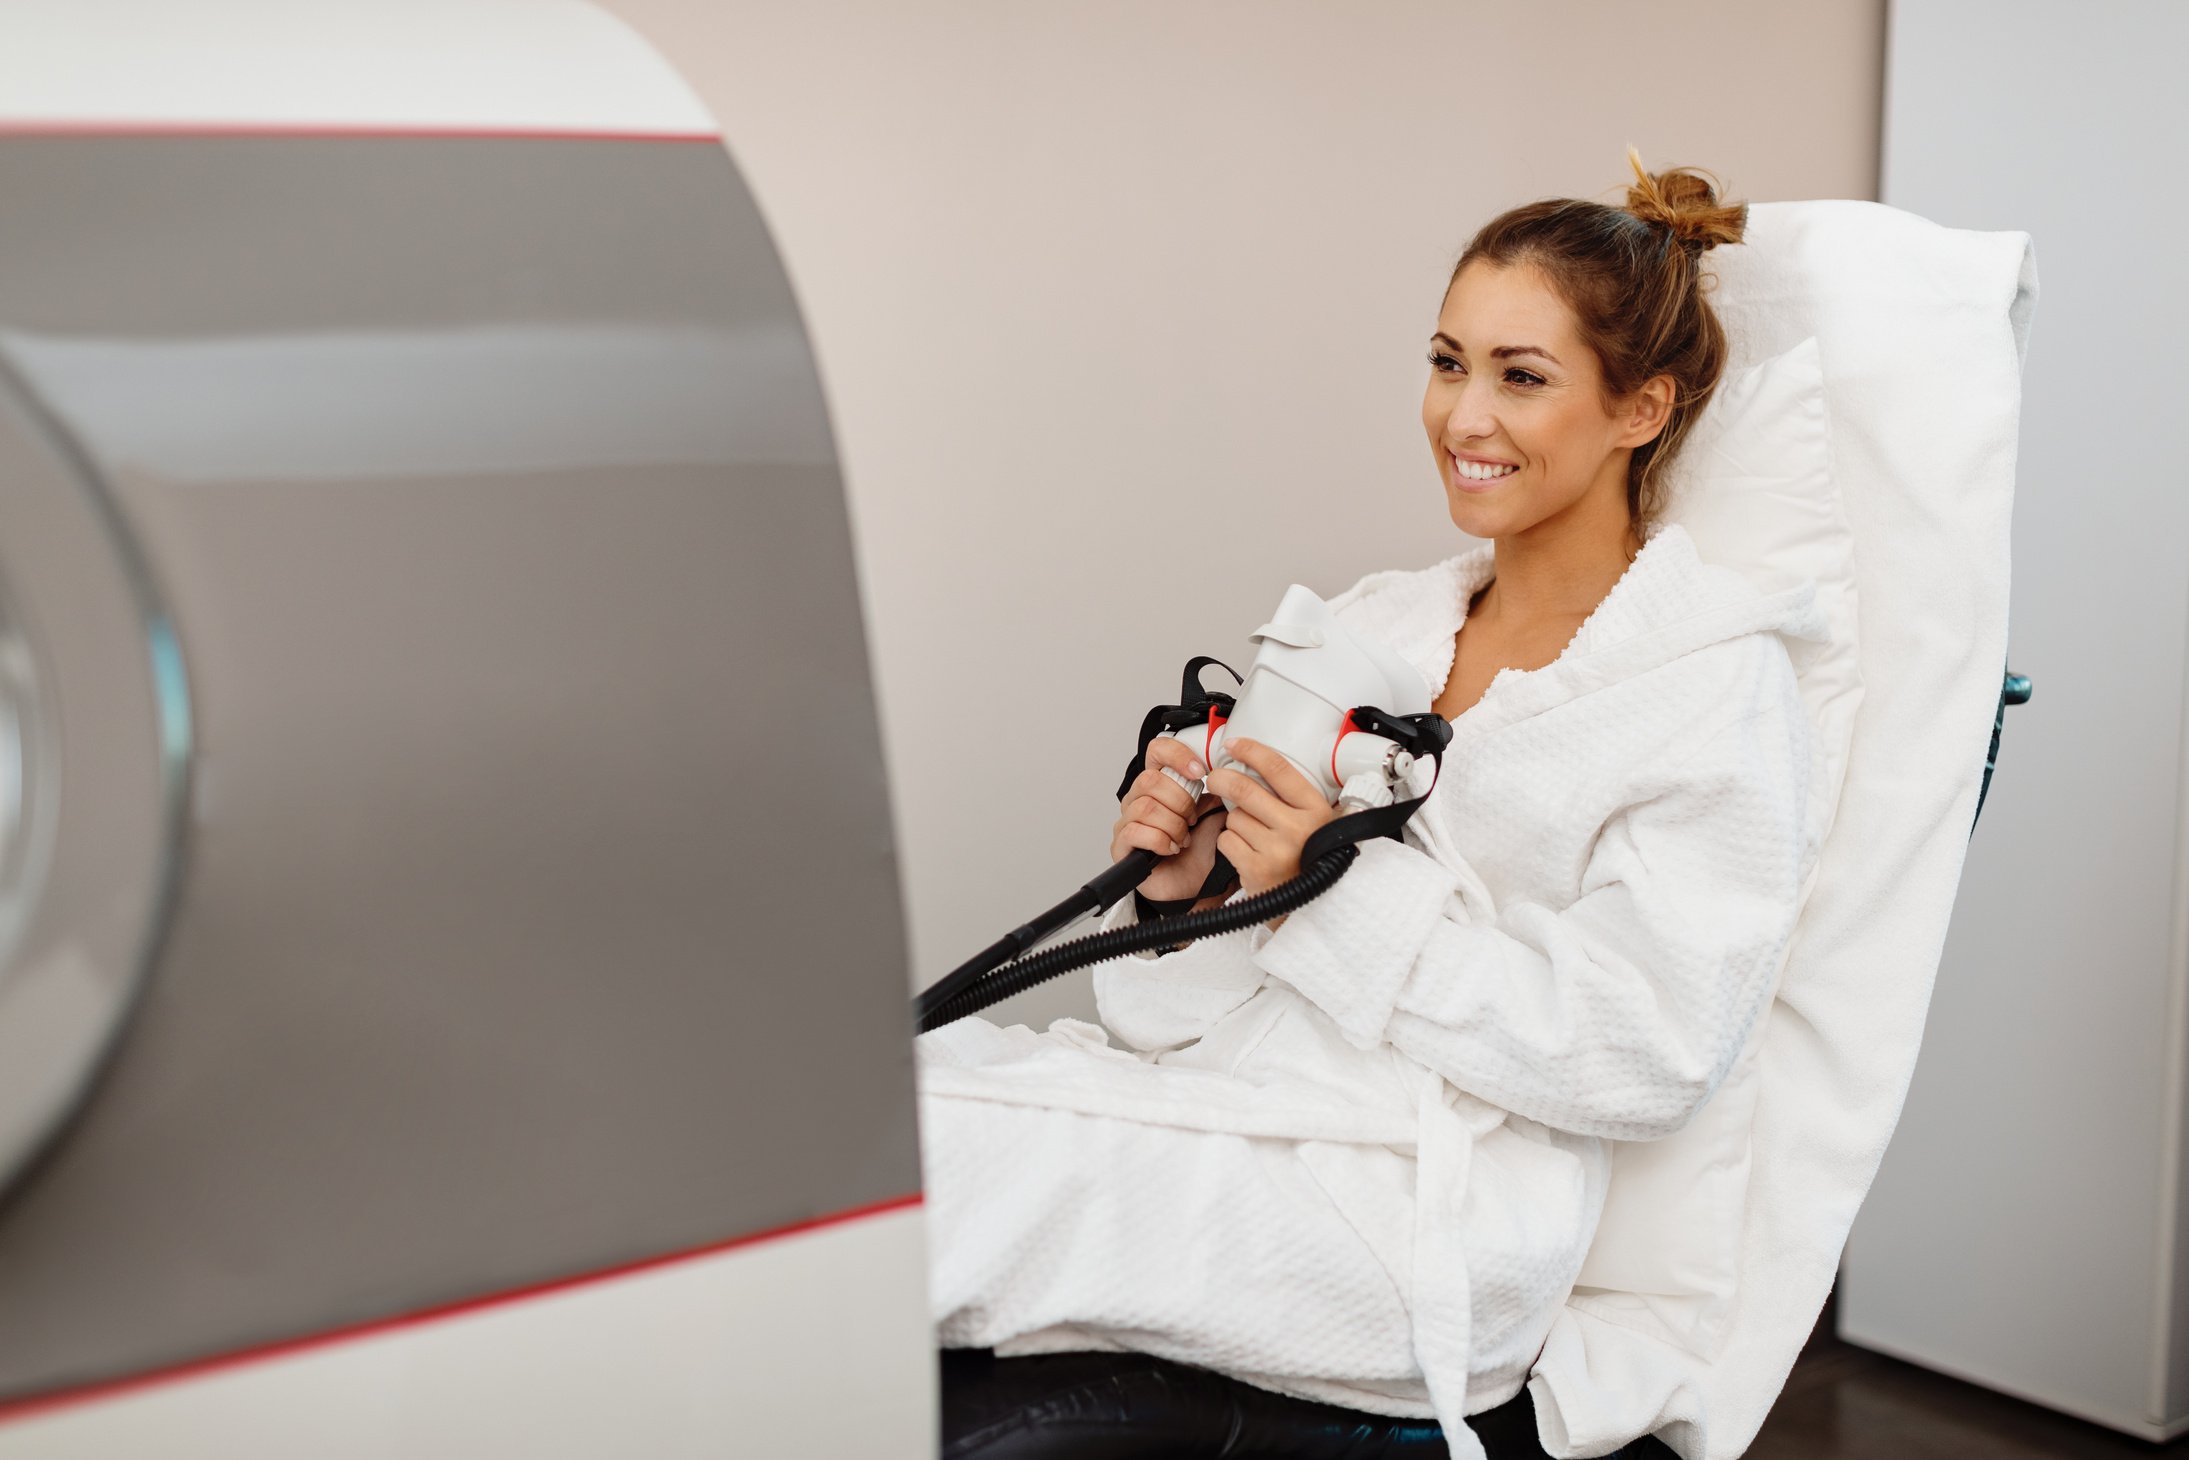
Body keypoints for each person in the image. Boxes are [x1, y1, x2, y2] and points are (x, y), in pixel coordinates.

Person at [915, 155, 1825, 1455]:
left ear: (1639, 408)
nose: (1462, 414)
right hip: (1242, 1119)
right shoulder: (1370, 628)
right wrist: (1180, 900)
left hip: (1428, 1226)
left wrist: (1336, 897)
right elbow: (1183, 1026)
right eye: (1447, 361)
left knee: (915, 1176)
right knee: (853, 1116)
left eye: (1520, 376)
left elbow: (1648, 1053)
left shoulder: (1703, 694)